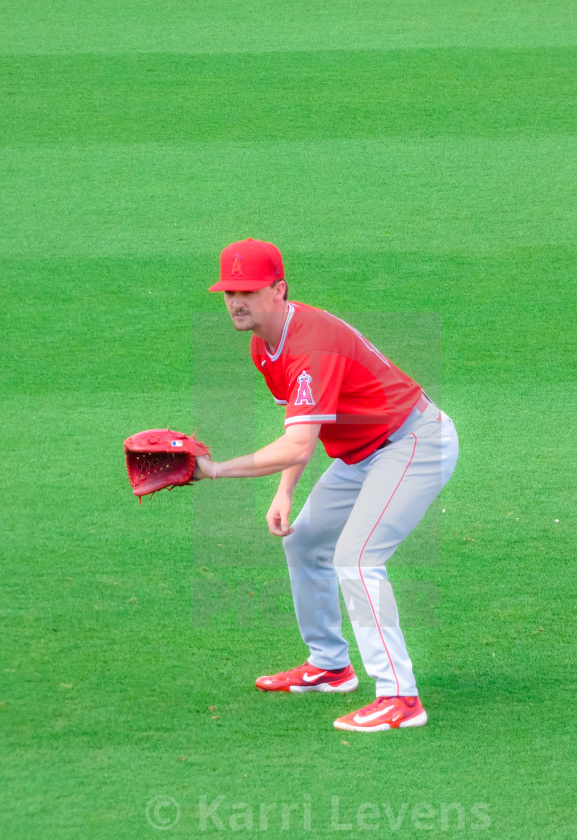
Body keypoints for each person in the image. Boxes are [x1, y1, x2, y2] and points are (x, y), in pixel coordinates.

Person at [193, 238, 459, 732]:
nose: (236, 302)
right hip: (364, 453)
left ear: (279, 289)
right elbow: (302, 429)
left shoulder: (311, 344)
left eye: (248, 290)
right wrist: (284, 492)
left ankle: (401, 698)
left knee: (358, 559)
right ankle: (331, 667)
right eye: (229, 291)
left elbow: (296, 447)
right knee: (307, 541)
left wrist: (214, 469)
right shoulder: (265, 344)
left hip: (413, 443)